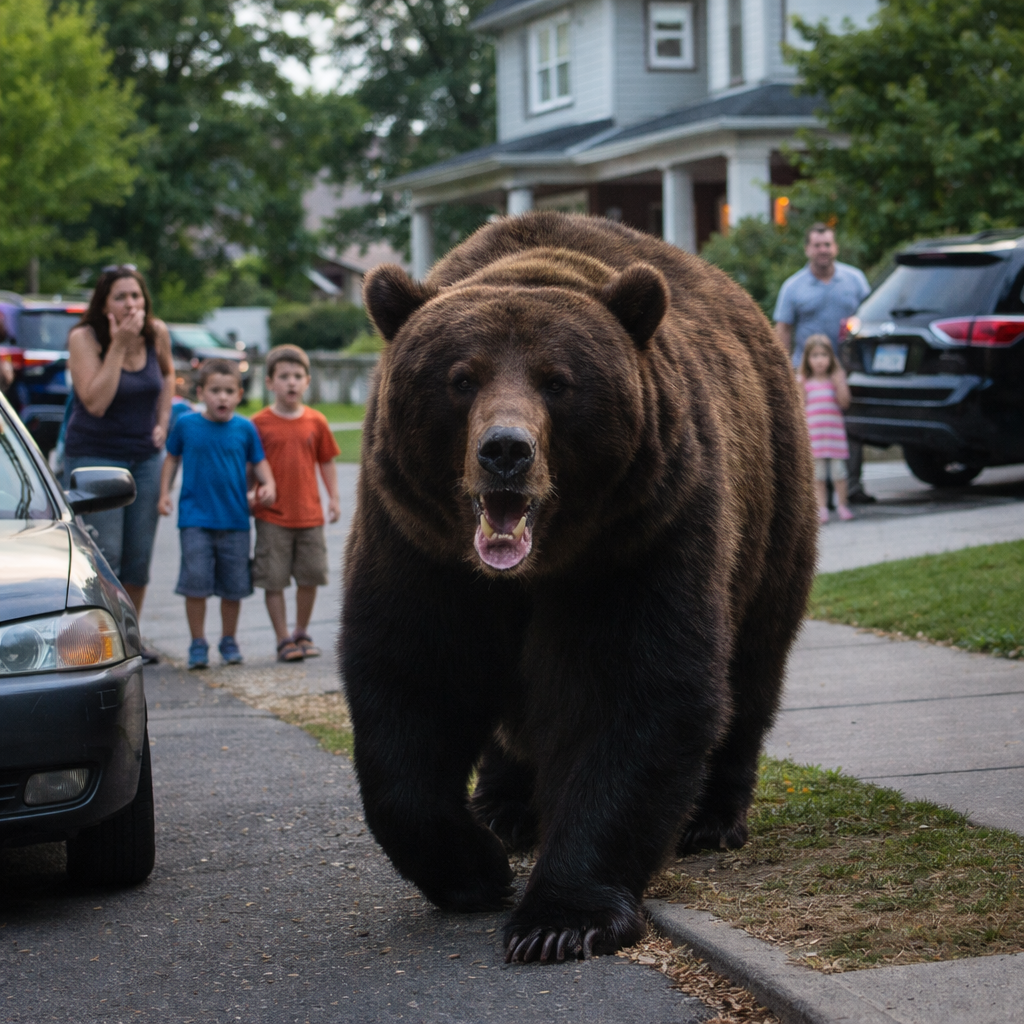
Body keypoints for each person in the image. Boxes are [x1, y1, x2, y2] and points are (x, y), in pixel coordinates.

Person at [65, 265, 175, 663]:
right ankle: (101, 639)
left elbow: (166, 378)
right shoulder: (85, 337)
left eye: (136, 296)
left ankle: (131, 637)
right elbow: (95, 401)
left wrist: (162, 423)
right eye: (121, 297)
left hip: (144, 457)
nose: (131, 304)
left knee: (138, 556)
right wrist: (118, 345)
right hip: (95, 455)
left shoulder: (156, 333)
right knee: (105, 554)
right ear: (104, 303)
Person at [158, 359, 276, 669]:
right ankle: (198, 643)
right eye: (214, 391)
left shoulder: (245, 428)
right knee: (195, 584)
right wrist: (163, 494)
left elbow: (259, 461)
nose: (221, 398)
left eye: (228, 391)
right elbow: (171, 459)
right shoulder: (186, 425)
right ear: (200, 393)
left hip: (236, 520)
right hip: (195, 520)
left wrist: (269, 483)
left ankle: (229, 640)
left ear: (239, 394)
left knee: (233, 587)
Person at [250, 345, 340, 663]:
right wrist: (249, 495)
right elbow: (249, 466)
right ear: (270, 382)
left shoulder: (316, 421)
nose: (291, 382)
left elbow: (326, 462)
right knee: (273, 579)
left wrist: (334, 499)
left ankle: (302, 630)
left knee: (310, 575)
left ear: (307, 381)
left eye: (297, 376)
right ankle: (282, 638)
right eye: (284, 376)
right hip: (272, 516)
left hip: (310, 515)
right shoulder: (257, 424)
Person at [773, 223, 874, 503]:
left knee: (850, 427)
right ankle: (815, 493)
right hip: (808, 371)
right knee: (811, 428)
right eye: (817, 245)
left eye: (827, 244)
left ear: (835, 248)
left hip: (847, 367)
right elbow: (782, 330)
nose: (823, 250)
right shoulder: (793, 287)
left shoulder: (855, 280)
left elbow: (870, 318)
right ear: (807, 249)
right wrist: (786, 373)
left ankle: (851, 487)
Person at [799, 335, 853, 524]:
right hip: (814, 438)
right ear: (807, 359)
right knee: (818, 476)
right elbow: (799, 408)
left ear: (831, 357)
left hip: (834, 437)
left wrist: (840, 381)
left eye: (823, 355)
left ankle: (842, 505)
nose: (819, 360)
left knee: (839, 473)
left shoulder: (834, 379)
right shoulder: (804, 381)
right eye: (814, 355)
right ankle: (821, 508)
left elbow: (845, 402)